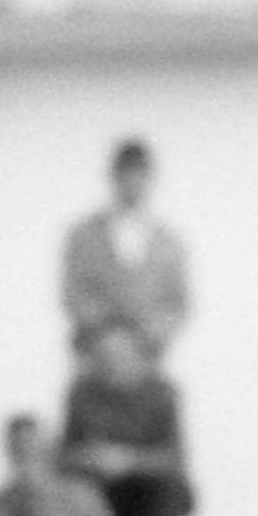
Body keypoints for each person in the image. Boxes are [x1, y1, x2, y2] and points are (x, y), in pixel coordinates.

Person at [55, 323, 192, 516]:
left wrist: (129, 461)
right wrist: (92, 458)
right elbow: (64, 455)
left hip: (146, 487)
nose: (112, 364)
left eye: (120, 356)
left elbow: (173, 457)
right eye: (104, 356)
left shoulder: (161, 394)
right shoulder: (81, 394)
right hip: (98, 487)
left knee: (165, 492)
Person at [60, 139, 191, 366]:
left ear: (150, 179)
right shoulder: (84, 235)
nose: (132, 183)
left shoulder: (169, 243)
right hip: (95, 361)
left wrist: (150, 332)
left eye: (139, 175)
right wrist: (109, 334)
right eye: (125, 174)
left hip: (148, 362)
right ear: (113, 177)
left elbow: (178, 303)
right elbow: (73, 293)